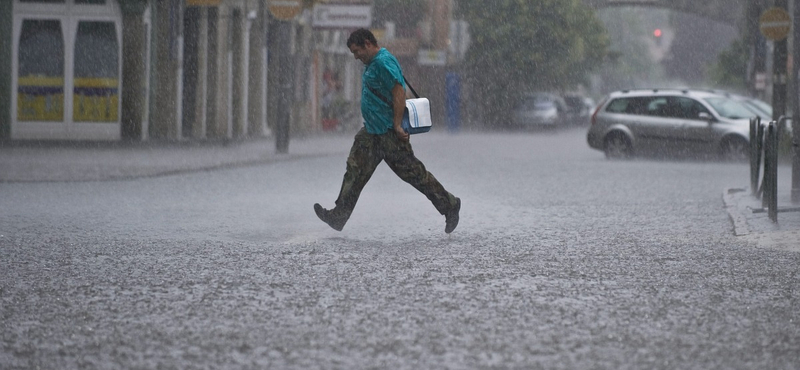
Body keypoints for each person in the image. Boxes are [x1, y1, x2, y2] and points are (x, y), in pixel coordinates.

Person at [314, 28, 461, 233]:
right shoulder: (373, 62)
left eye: (357, 51)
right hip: (372, 133)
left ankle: (450, 205)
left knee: (415, 175)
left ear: (367, 43)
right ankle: (339, 216)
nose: (356, 57)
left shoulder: (383, 61)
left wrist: (398, 124)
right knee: (354, 170)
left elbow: (399, 91)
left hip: (389, 133)